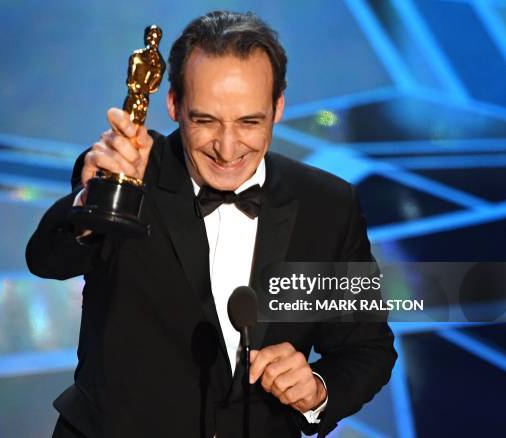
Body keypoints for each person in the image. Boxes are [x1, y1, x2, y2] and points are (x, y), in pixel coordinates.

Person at [26, 10, 397, 438]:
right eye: (205, 120)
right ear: (174, 105)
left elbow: (367, 350)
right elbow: (47, 259)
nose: (226, 147)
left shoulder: (327, 206)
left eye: (248, 122)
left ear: (278, 107)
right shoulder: (128, 174)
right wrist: (90, 202)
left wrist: (316, 389)